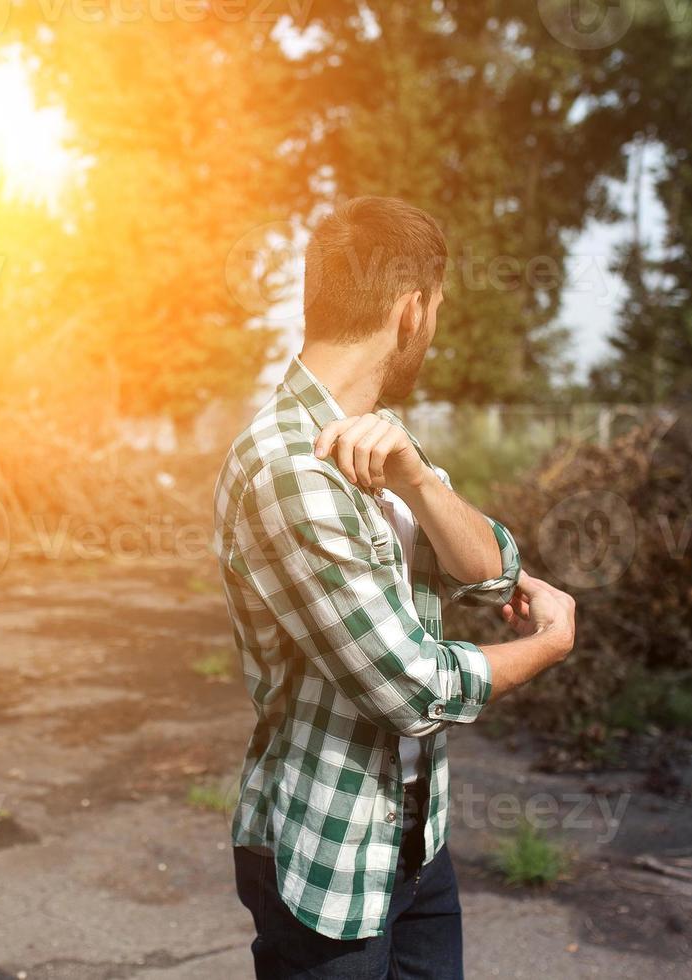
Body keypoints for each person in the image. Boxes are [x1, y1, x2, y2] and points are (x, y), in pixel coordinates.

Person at [212, 196, 578, 979]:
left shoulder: (382, 441)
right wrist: (549, 647)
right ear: (411, 312)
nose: (433, 331)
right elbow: (412, 690)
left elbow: (490, 572)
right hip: (327, 858)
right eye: (437, 311)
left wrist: (417, 478)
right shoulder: (291, 469)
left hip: (414, 836)